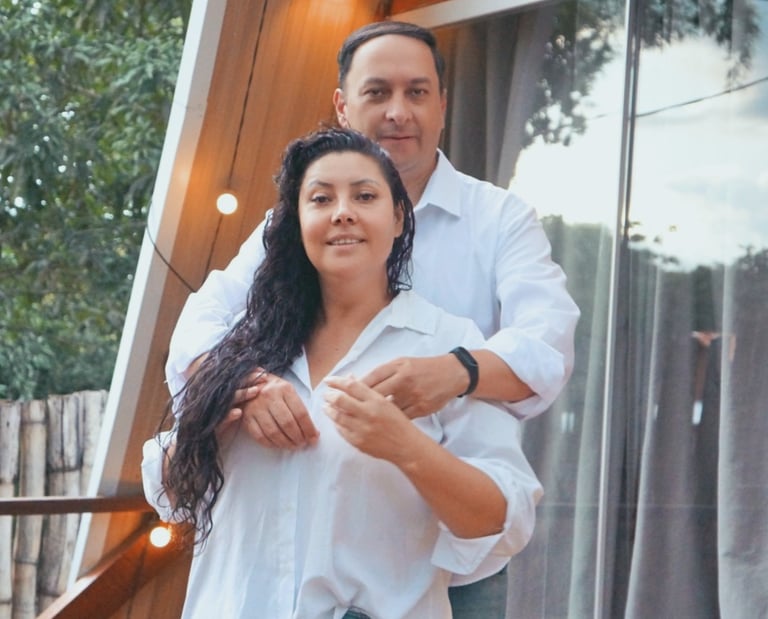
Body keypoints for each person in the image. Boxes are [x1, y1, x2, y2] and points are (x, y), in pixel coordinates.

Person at [165, 21, 580, 617]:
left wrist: (454, 372)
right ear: (343, 106)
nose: (398, 112)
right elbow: (203, 323)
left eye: (417, 92)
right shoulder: (287, 233)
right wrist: (242, 387)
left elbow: (546, 347)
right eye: (377, 92)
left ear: (442, 103)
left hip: (457, 551)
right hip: (289, 550)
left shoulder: (499, 220)